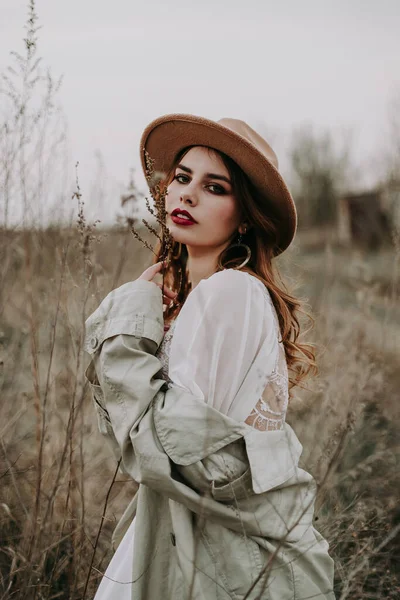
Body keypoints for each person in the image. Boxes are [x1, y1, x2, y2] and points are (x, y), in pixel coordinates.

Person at [84, 114, 335, 600]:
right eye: (181, 177)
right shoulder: (194, 300)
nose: (187, 194)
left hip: (214, 559)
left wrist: (128, 330)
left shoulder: (231, 292)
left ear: (244, 216)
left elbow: (167, 452)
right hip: (181, 529)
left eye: (214, 187)